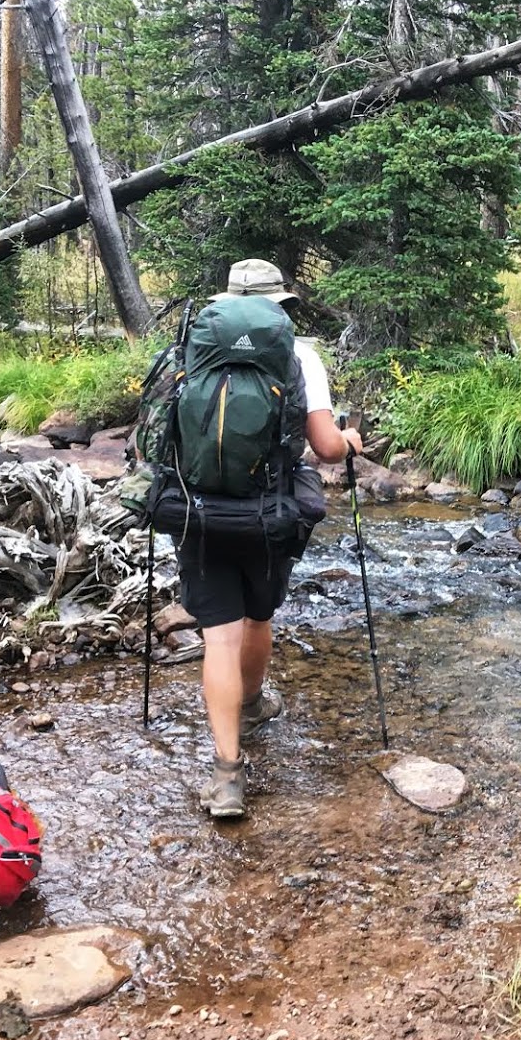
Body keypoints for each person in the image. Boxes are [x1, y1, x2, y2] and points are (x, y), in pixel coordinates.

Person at [182, 258, 363, 819]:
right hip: (270, 512)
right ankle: (254, 703)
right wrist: (352, 440)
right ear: (280, 305)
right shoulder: (299, 354)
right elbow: (328, 448)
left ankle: (228, 775)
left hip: (200, 510)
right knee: (258, 618)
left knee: (219, 637)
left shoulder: (194, 345)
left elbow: (155, 435)